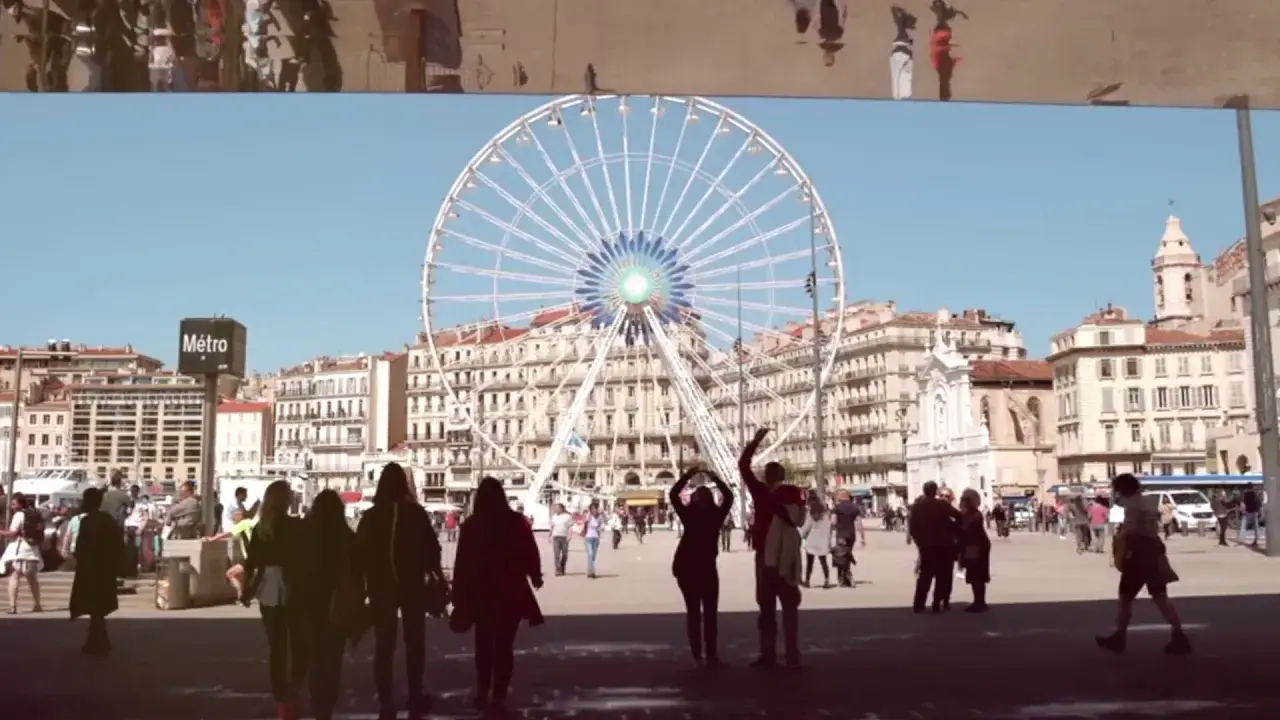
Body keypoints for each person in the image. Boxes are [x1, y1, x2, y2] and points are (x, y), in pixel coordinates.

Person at [357, 463, 444, 720]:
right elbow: (432, 549)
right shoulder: (415, 514)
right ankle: (415, 695)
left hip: (381, 587)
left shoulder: (371, 517)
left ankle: (386, 701)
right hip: (412, 585)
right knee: (414, 642)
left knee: (384, 646)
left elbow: (360, 553)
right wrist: (436, 574)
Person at [451, 477, 544, 713]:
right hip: (510, 590)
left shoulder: (471, 525)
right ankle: (500, 694)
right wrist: (535, 574)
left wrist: (458, 594)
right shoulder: (515, 521)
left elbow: (462, 562)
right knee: (504, 645)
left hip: (481, 591)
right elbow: (528, 548)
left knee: (483, 643)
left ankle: (483, 689)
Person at [1097, 473, 1191, 655]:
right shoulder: (1146, 502)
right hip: (1153, 554)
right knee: (1160, 596)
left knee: (1125, 598)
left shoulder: (1132, 506)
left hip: (1138, 556)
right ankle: (1179, 635)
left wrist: (1122, 550)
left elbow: (1132, 532)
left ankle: (1119, 637)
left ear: (1122, 489)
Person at [242, 480, 309, 720]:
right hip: (294, 586)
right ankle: (294, 689)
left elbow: (252, 563)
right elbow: (305, 558)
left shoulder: (261, 528)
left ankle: (282, 701)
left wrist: (246, 589)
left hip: (268, 588)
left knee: (277, 648)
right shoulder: (297, 527)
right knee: (300, 643)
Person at [739, 427, 803, 668]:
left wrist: (755, 440)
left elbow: (743, 466)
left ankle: (768, 653)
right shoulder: (794, 493)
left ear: (767, 477)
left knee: (766, 607)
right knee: (790, 607)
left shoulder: (762, 493)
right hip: (789, 554)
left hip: (765, 553)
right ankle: (792, 653)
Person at [302, 490, 366, 720]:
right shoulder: (347, 537)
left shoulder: (305, 535)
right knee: (332, 660)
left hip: (309, 604)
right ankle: (326, 707)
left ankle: (316, 702)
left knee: (313, 658)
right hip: (337, 603)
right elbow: (358, 575)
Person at [668, 465, 733, 667]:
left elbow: (673, 494)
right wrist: (714, 475)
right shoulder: (715, 516)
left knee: (693, 612)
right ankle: (712, 655)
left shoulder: (689, 516)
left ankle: (697, 655)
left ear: (694, 500)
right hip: (707, 567)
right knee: (710, 613)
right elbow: (729, 497)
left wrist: (688, 474)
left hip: (686, 567)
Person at [69, 487, 122, 656]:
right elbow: (118, 546)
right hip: (105, 569)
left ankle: (96, 642)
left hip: (90, 569)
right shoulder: (108, 520)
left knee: (93, 606)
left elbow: (80, 548)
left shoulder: (86, 521)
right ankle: (98, 640)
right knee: (98, 607)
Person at [909, 480, 961, 613]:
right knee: (942, 576)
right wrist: (952, 528)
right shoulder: (942, 505)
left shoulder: (918, 507)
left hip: (927, 546)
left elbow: (913, 528)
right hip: (944, 545)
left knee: (925, 576)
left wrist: (919, 542)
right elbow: (958, 516)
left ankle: (919, 604)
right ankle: (937, 603)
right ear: (935, 491)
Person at [1, 493, 44, 614]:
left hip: (20, 548)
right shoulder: (35, 513)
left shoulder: (19, 515)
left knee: (15, 576)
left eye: (14, 503)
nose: (12, 506)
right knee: (32, 578)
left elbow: (13, 532)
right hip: (32, 548)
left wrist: (2, 532)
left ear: (20, 504)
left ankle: (12, 607)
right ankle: (37, 604)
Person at [956, 489, 991, 612]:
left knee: (977, 575)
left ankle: (979, 602)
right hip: (975, 546)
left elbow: (966, 530)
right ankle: (979, 601)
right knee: (975, 575)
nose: (961, 501)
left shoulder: (974, 515)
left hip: (976, 547)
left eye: (963, 499)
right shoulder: (970, 514)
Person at [800, 491, 833, 589]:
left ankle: (807, 581)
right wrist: (828, 539)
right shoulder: (825, 513)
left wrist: (801, 535)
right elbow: (829, 526)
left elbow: (806, 527)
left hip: (812, 540)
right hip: (822, 540)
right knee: (823, 562)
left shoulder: (810, 514)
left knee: (810, 563)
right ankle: (827, 580)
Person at [830, 489, 861, 587]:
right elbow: (859, 523)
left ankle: (845, 578)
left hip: (841, 535)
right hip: (851, 535)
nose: (837, 497)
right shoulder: (855, 507)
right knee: (847, 556)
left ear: (842, 496)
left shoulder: (837, 507)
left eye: (838, 495)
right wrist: (863, 538)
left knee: (840, 557)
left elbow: (833, 522)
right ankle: (845, 579)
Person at [548, 503, 573, 576]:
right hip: (556, 537)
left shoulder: (567, 517)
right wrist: (549, 536)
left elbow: (570, 527)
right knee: (557, 555)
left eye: (557, 508)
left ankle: (562, 568)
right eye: (555, 508)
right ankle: (558, 570)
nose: (556, 509)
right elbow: (552, 527)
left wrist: (570, 535)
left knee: (565, 555)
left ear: (561, 508)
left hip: (564, 537)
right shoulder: (553, 517)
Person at [582, 505, 603, 578]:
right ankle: (592, 572)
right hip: (588, 537)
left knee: (593, 556)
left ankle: (589, 571)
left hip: (596, 538)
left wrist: (599, 536)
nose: (595, 511)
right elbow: (585, 524)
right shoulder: (588, 516)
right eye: (593, 509)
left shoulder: (599, 517)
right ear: (590, 510)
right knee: (590, 554)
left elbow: (599, 527)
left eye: (596, 509)